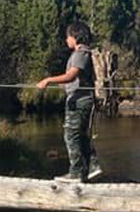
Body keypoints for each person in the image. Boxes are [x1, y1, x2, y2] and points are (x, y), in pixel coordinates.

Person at [36, 22, 103, 183]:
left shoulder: (80, 54)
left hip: (79, 101)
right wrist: (63, 84)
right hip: (83, 99)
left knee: (71, 136)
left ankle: (76, 173)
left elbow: (71, 76)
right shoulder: (83, 53)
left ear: (75, 37)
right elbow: (75, 79)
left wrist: (48, 80)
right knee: (81, 136)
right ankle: (92, 168)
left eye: (68, 37)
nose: (66, 40)